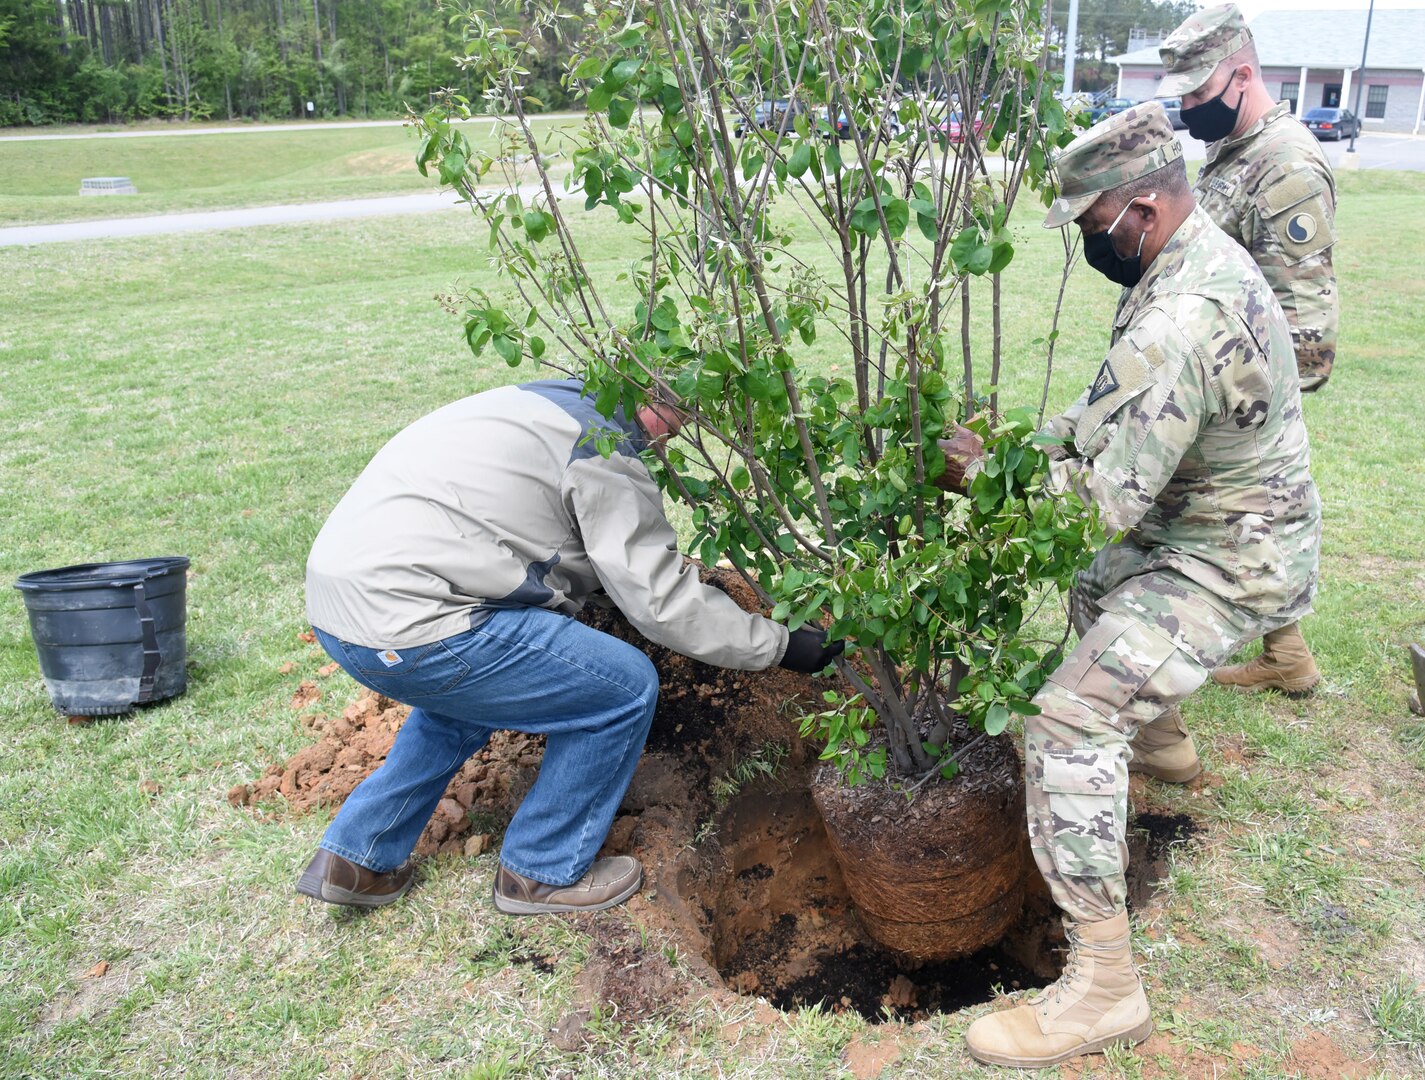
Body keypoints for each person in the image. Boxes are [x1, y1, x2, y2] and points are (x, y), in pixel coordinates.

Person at [941, 103, 1321, 1068]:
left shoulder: (1183, 318)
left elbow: (1094, 508)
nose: (1084, 244)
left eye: (1088, 225)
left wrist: (979, 482)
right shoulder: (1179, 261)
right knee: (1093, 593)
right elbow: (1098, 416)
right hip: (1201, 523)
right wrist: (1018, 449)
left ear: (1141, 208)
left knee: (1066, 721)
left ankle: (1104, 988)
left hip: (1228, 553)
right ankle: (1165, 748)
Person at [295, 379, 843, 915]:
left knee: (458, 708)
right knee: (623, 690)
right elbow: (663, 604)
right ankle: (540, 871)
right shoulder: (601, 449)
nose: (666, 444)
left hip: (341, 611)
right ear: (652, 405)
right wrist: (780, 646)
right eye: (673, 427)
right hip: (417, 623)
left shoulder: (544, 401)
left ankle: (355, 858)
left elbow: (540, 530)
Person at [1158, 2, 1337, 695]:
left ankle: (1167, 655)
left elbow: (1308, 334)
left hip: (1240, 389)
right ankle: (1287, 657)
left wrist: (1217, 386)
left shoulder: (1284, 164)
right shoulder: (1231, 152)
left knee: (1227, 516)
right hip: (1217, 373)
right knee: (1246, 517)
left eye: (1200, 94)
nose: (1190, 109)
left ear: (1241, 74)